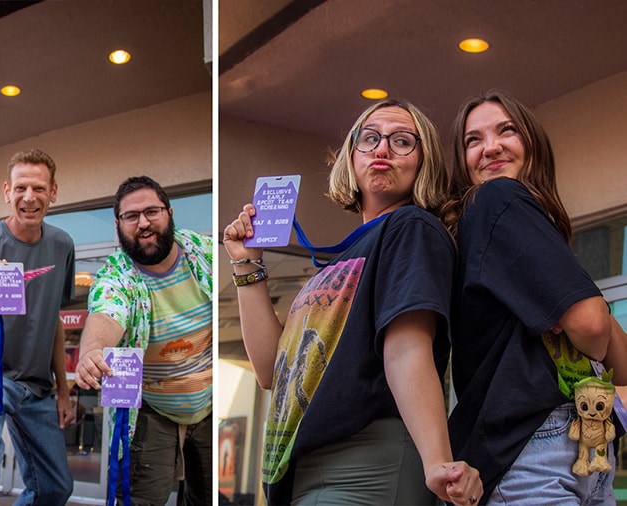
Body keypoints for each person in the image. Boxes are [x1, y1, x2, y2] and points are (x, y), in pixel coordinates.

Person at [223, 99, 483, 505]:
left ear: (424, 162)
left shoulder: (411, 226)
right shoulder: (348, 257)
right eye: (370, 138)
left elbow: (406, 348)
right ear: (351, 156)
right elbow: (274, 372)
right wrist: (246, 265)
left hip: (368, 464)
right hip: (306, 466)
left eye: (401, 141)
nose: (382, 149)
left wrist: (437, 462)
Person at [441, 90, 627, 505]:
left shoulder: (526, 223)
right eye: (473, 140)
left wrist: (579, 307)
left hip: (578, 444)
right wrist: (577, 310)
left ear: (532, 143)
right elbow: (595, 331)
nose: (490, 147)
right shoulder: (496, 198)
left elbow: (619, 358)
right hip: (533, 445)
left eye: (507, 130)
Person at [75, 175, 213, 506]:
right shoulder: (117, 275)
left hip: (210, 404)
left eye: (152, 211)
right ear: (119, 224)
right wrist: (92, 351)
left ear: (169, 212)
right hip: (150, 410)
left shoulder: (204, 254)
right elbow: (107, 311)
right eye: (131, 216)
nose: (143, 223)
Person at [0, 148, 75, 506]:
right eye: (21, 188)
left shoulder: (62, 245)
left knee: (56, 485)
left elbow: (54, 318)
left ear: (53, 192)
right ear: (7, 191)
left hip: (34, 383)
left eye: (39, 188)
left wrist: (63, 389)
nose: (29, 197)